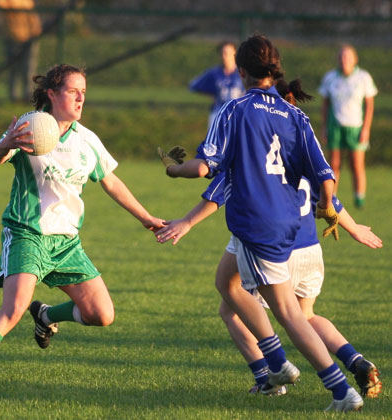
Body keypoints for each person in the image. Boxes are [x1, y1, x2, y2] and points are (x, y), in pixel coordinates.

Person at [158, 34, 364, 412]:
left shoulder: (235, 110)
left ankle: (335, 389)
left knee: (289, 314)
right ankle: (276, 366)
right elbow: (325, 173)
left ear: (241, 70)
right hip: (289, 223)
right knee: (226, 283)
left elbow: (205, 166)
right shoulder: (296, 115)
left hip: (257, 223)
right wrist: (328, 208)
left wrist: (172, 169)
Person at [0, 64, 165, 381]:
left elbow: (111, 182)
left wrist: (146, 218)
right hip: (27, 234)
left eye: (84, 93)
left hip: (66, 242)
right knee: (14, 309)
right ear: (52, 93)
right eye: (73, 91)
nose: (80, 99)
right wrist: (5, 144)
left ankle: (46, 314)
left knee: (101, 314)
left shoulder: (86, 139)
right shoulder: (29, 127)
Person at [156, 168, 382, 400]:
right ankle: (355, 360)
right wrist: (353, 228)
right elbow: (327, 197)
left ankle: (269, 377)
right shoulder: (297, 156)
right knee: (306, 315)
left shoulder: (250, 153)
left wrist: (187, 221)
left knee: (232, 309)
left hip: (271, 245)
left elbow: (217, 192)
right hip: (310, 248)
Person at [319, 44, 378, 208]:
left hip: (356, 126)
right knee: (334, 164)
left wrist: (366, 128)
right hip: (336, 125)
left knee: (356, 164)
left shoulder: (363, 78)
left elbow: (369, 105)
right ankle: (332, 196)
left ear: (354, 59)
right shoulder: (331, 78)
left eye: (348, 57)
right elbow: (325, 105)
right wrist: (324, 127)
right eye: (342, 57)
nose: (344, 60)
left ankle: (359, 198)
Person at [189, 41, 245, 127]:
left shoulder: (242, 73)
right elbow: (194, 85)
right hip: (218, 113)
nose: (225, 56)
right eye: (223, 53)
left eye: (228, 53)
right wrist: (211, 94)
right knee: (215, 139)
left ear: (235, 54)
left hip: (237, 114)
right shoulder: (215, 73)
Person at [0, 0, 42, 102]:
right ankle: (14, 97)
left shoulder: (26, 2)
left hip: (29, 37)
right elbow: (0, 5)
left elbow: (33, 18)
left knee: (29, 69)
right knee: (13, 70)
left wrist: (35, 32)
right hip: (12, 37)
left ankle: (29, 96)